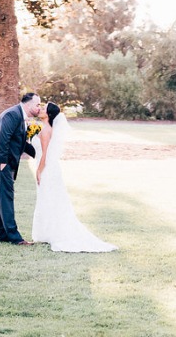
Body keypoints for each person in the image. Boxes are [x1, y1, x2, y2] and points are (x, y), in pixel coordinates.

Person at [31, 101, 117, 252]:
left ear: (49, 114)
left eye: (43, 108)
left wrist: (39, 171)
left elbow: (45, 154)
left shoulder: (45, 130)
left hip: (47, 169)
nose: (40, 109)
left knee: (49, 199)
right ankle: (47, 232)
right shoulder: (46, 128)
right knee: (50, 200)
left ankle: (54, 233)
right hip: (51, 169)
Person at [0, 92, 42, 245]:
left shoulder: (20, 116)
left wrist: (40, 153)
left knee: (0, 197)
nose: (39, 108)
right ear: (29, 104)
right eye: (37, 105)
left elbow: (20, 142)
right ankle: (15, 237)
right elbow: (3, 138)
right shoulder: (12, 115)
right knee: (6, 197)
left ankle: (1, 234)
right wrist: (3, 162)